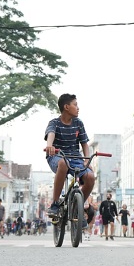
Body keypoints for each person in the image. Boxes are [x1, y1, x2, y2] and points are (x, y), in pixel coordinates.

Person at [44, 94, 95, 229]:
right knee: (63, 164)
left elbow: (84, 143)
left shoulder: (79, 123)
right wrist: (50, 145)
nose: (78, 108)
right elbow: (51, 134)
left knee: (90, 176)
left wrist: (86, 160)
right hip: (57, 155)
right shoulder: (54, 123)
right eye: (75, 105)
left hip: (76, 157)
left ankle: (78, 207)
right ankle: (55, 203)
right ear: (66, 107)